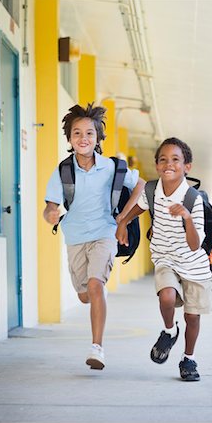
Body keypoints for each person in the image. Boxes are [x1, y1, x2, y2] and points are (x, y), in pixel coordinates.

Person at [43, 102, 145, 370]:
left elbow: (142, 185)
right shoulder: (63, 170)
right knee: (85, 295)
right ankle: (95, 295)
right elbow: (50, 206)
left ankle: (97, 348)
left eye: (89, 133)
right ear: (69, 138)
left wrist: (124, 215)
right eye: (77, 133)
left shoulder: (112, 167)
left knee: (96, 285)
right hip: (75, 236)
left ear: (98, 137)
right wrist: (50, 214)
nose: (83, 138)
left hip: (104, 233)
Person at [116, 137, 212, 381]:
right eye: (163, 159)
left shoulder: (194, 200)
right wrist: (124, 221)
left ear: (187, 166)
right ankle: (169, 331)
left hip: (194, 265)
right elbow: (141, 205)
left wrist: (187, 218)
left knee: (192, 316)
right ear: (157, 164)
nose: (168, 164)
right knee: (167, 296)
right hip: (165, 258)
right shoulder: (152, 189)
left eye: (175, 160)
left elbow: (194, 245)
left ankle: (188, 359)